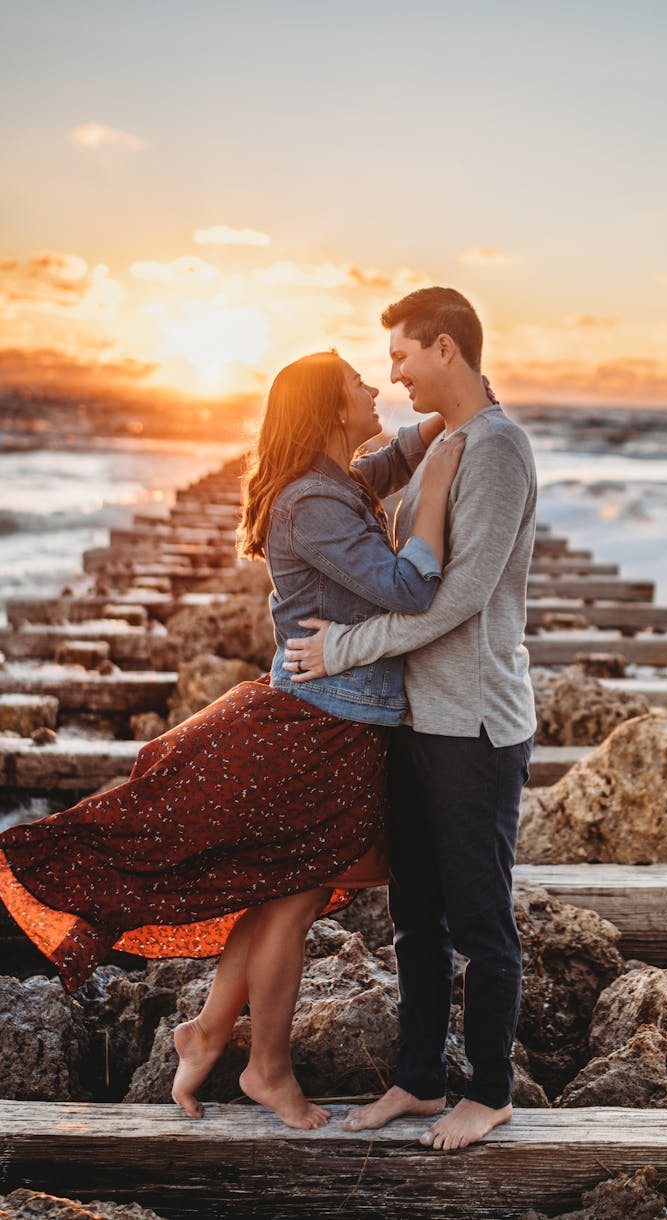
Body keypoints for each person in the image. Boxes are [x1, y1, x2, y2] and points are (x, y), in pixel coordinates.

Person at [0, 349, 465, 1131]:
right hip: (319, 728)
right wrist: (444, 485)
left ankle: (210, 1031)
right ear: (326, 410)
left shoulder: (332, 484)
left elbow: (383, 466)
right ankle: (266, 1070)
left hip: (334, 724)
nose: (374, 389)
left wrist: (444, 420)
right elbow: (409, 588)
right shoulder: (311, 504)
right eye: (358, 383)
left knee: (284, 890)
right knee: (293, 898)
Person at [283, 288, 537, 1151]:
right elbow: (366, 476)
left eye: (399, 356)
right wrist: (427, 440)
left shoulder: (497, 451)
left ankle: (490, 1091)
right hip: (417, 719)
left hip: (472, 722)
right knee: (414, 920)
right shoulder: (452, 441)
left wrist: (345, 647)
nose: (390, 375)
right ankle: (420, 1081)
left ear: (444, 349)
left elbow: (459, 597)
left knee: (479, 921)